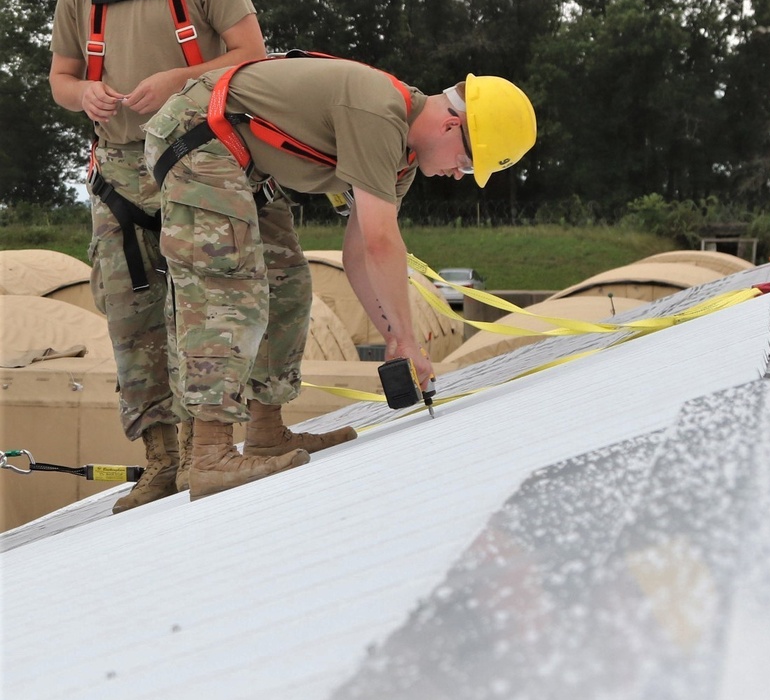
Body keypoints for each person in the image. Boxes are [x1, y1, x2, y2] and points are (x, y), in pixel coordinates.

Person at [48, 0, 352, 513]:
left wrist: (177, 81)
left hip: (209, 151)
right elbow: (61, 78)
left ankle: (265, 428)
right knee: (134, 316)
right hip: (123, 171)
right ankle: (165, 460)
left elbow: (252, 55)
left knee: (278, 282)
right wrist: (84, 96)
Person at [144, 54, 537, 500]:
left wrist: (393, 337)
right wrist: (409, 341)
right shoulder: (379, 114)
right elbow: (380, 243)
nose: (459, 176)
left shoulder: (402, 159)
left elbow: (356, 254)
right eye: (467, 164)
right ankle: (210, 455)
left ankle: (265, 432)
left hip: (240, 157)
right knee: (229, 284)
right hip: (199, 134)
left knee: (288, 282)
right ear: (451, 126)